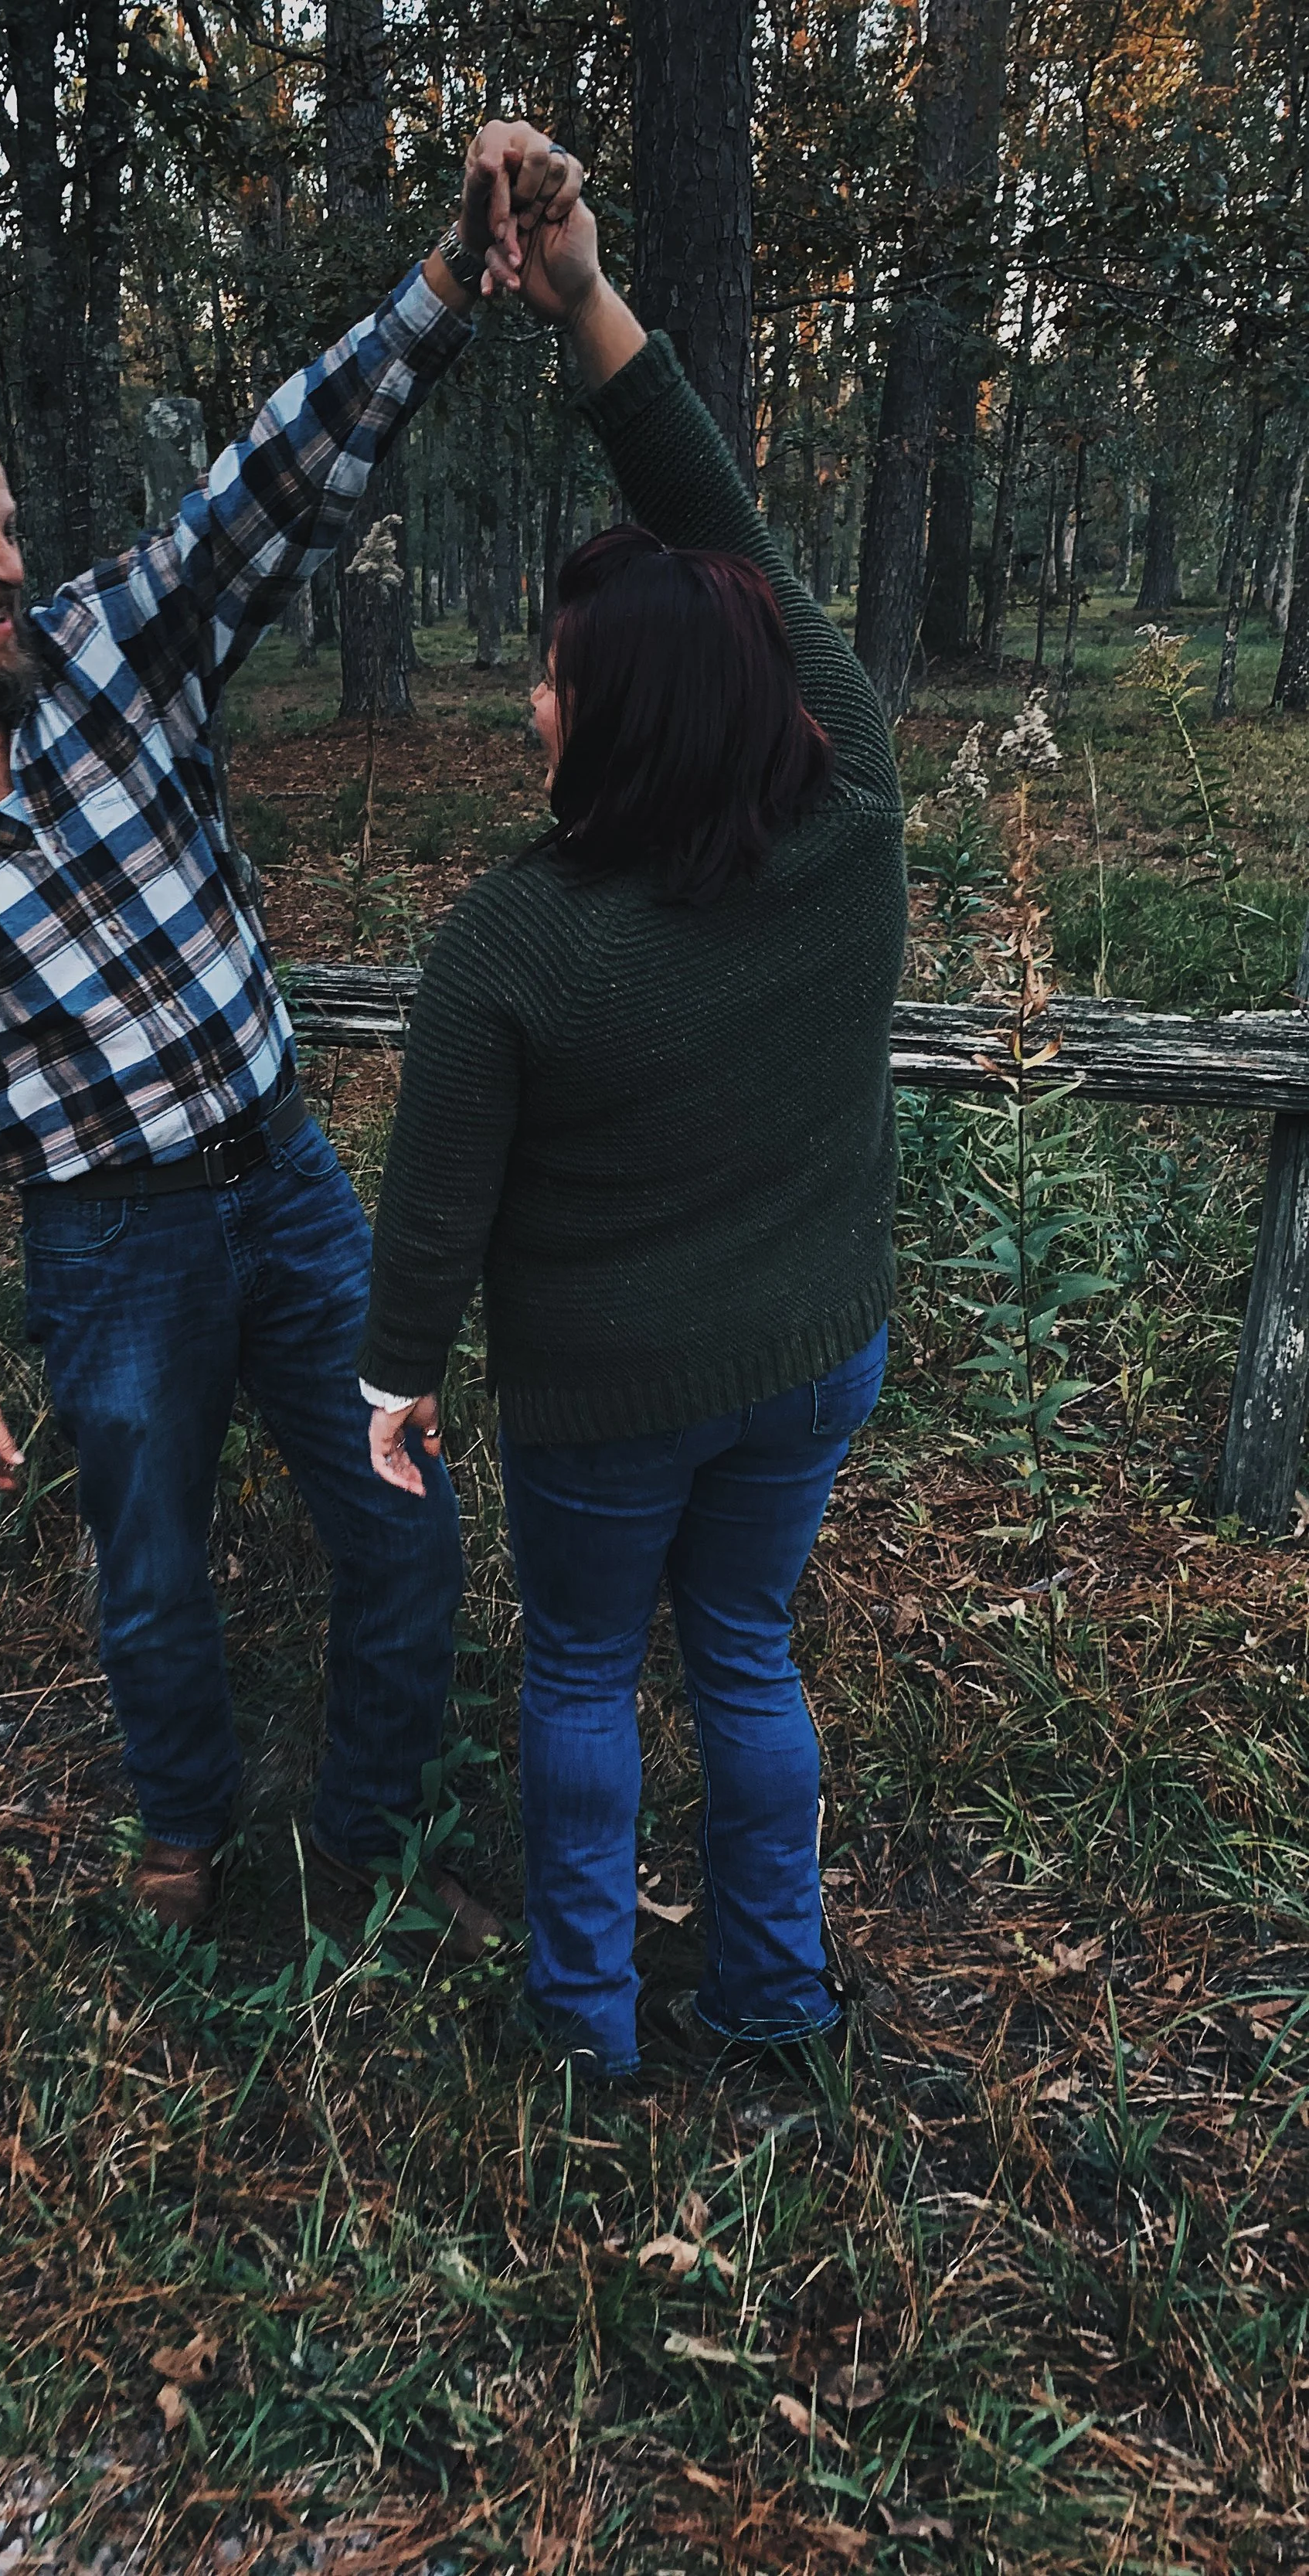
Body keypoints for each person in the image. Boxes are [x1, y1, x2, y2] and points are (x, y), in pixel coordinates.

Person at [0, 124, 583, 1945]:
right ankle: (184, 1826)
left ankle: (366, 1832)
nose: (10, 562)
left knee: (403, 1518)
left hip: (284, 1185)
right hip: (108, 1244)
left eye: (10, 525)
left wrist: (445, 281)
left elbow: (268, 486)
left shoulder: (111, 650)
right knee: (148, 1570)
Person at [357, 189, 906, 2081]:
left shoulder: (513, 941)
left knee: (585, 1669)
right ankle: (772, 1997)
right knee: (742, 1647)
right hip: (811, 1354)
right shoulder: (852, 818)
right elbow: (726, 541)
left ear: (621, 718)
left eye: (552, 677)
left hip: (604, 1400)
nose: (527, 703)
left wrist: (392, 1382)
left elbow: (433, 1210)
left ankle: (584, 2022)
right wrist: (586, 299)